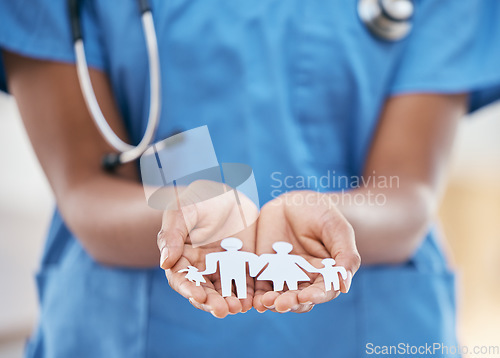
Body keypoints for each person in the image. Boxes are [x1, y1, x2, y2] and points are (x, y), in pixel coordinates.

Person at [1, 0, 500, 357]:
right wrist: (185, 215)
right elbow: (84, 188)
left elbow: (406, 194)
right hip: (127, 331)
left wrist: (332, 220)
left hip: (364, 328)